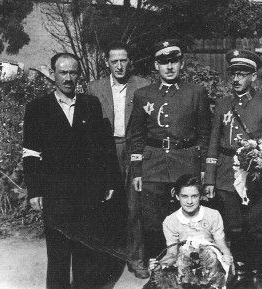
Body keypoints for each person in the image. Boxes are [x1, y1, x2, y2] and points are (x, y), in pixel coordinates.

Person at [23, 52, 126, 289]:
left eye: (73, 72)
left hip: (87, 194)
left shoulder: (90, 104)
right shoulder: (38, 108)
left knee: (85, 255)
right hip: (56, 195)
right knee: (58, 256)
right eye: (63, 72)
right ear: (53, 75)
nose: (68, 78)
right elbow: (30, 153)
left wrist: (110, 181)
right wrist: (35, 190)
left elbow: (104, 147)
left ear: (79, 75)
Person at [204, 49, 262, 288]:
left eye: (243, 74)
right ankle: (238, 275)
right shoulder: (222, 104)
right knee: (234, 227)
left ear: (253, 76)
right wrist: (209, 179)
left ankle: (254, 276)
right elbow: (213, 143)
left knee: (258, 229)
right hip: (227, 175)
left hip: (256, 176)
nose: (237, 79)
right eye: (233, 74)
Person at [129, 39, 211, 261]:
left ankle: (187, 269)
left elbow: (205, 134)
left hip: (185, 163)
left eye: (174, 61)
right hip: (153, 165)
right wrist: (137, 170)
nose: (169, 67)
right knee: (153, 221)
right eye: (164, 62)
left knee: (187, 219)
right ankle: (158, 269)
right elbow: (135, 135)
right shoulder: (143, 95)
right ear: (156, 66)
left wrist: (203, 168)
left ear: (181, 63)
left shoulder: (195, 93)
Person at [87, 42, 151, 279]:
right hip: (106, 150)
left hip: (135, 149)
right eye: (114, 61)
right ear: (107, 63)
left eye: (123, 60)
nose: (119, 65)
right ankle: (107, 258)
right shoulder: (94, 88)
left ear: (129, 61)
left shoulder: (143, 86)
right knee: (107, 204)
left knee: (135, 206)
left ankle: (137, 258)